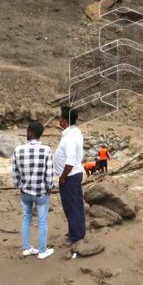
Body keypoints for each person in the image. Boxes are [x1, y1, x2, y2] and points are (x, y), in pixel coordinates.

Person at [12, 121, 55, 259]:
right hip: (41, 192)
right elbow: (49, 174)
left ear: (29, 132)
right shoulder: (46, 150)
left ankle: (26, 248)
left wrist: (19, 186)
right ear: (40, 135)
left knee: (26, 218)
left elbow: (15, 174)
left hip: (25, 192)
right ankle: (42, 251)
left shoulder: (18, 150)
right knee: (42, 221)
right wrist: (50, 187)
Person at [54, 106, 85, 247]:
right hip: (74, 175)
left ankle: (76, 236)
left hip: (69, 177)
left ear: (65, 121)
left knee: (71, 207)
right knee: (76, 205)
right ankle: (77, 231)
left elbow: (70, 163)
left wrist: (62, 177)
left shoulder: (70, 138)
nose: (59, 120)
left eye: (60, 118)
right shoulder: (74, 131)